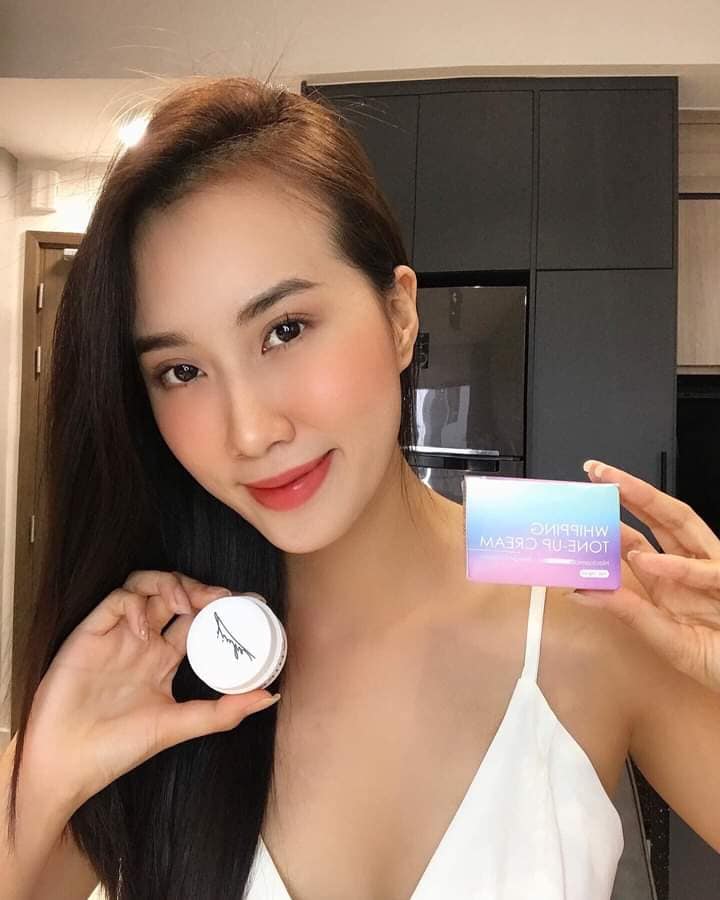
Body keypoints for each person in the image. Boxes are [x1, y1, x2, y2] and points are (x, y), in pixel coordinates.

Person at [1, 74, 719, 900]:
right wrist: (43, 783)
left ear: (401, 315)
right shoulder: (152, 668)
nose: (249, 432)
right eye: (182, 371)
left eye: (285, 329)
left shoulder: (585, 597)